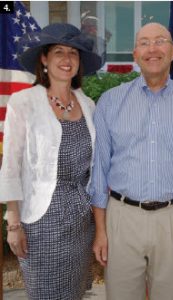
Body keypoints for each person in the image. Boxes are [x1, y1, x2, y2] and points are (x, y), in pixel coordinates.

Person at [89, 22, 173, 300]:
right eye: (144, 43)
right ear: (135, 54)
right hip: (122, 218)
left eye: (160, 41)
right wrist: (101, 231)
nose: (152, 49)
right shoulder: (110, 102)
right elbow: (100, 171)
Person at [0, 23, 103, 299]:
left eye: (73, 53)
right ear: (44, 59)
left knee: (74, 291)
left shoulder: (89, 104)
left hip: (81, 220)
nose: (67, 59)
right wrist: (13, 224)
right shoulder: (23, 102)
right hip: (40, 220)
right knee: (46, 293)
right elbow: (10, 165)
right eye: (59, 52)